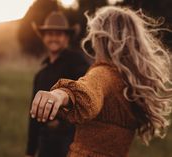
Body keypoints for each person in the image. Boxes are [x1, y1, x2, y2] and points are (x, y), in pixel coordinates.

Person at [30, 6, 172, 157]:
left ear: (101, 38)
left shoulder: (103, 73)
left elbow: (88, 92)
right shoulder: (131, 83)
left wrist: (60, 94)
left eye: (94, 35)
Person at [26, 11, 90, 157]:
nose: (53, 37)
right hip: (45, 139)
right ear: (43, 37)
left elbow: (86, 88)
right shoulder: (41, 74)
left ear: (66, 38)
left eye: (59, 34)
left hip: (69, 139)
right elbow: (33, 115)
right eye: (49, 33)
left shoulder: (76, 61)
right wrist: (30, 151)